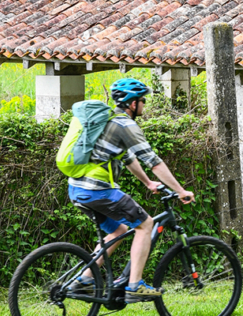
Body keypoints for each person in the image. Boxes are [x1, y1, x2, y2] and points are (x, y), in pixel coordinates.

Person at [66, 78, 195, 298]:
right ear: (133, 103)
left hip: (77, 189)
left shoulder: (108, 121)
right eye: (143, 100)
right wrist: (181, 191)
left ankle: (84, 279)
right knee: (146, 224)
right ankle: (135, 286)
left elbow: (127, 158)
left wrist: (148, 183)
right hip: (98, 191)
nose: (144, 104)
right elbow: (153, 162)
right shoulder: (125, 125)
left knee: (118, 230)